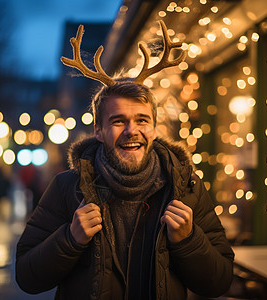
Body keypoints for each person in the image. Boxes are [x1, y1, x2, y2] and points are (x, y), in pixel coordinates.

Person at [15, 21, 234, 300]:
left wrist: (189, 241)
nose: (132, 131)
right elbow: (26, 276)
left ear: (154, 128)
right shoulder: (67, 188)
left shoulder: (186, 188)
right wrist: (71, 239)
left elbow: (220, 281)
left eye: (142, 120)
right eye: (118, 121)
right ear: (98, 131)